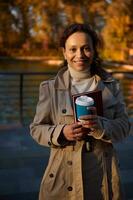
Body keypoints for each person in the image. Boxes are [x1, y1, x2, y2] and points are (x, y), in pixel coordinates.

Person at [30, 23, 130, 200]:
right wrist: (62, 132)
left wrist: (101, 126)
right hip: (63, 177)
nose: (80, 55)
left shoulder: (111, 86)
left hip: (103, 177)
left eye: (86, 48)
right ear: (64, 53)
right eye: (73, 49)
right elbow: (36, 129)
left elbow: (124, 127)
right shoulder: (49, 88)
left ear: (94, 50)